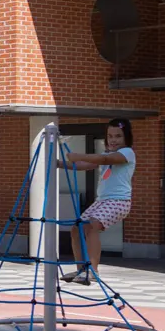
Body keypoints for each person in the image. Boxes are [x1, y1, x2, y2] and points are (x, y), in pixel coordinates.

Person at [60, 119, 135, 285]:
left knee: (92, 225)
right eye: (110, 136)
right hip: (102, 201)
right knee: (76, 228)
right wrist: (58, 164)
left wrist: (78, 155)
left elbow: (104, 160)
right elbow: (84, 165)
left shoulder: (127, 153)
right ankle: (81, 269)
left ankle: (92, 271)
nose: (113, 140)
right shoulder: (107, 154)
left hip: (119, 201)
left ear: (126, 138)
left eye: (118, 136)